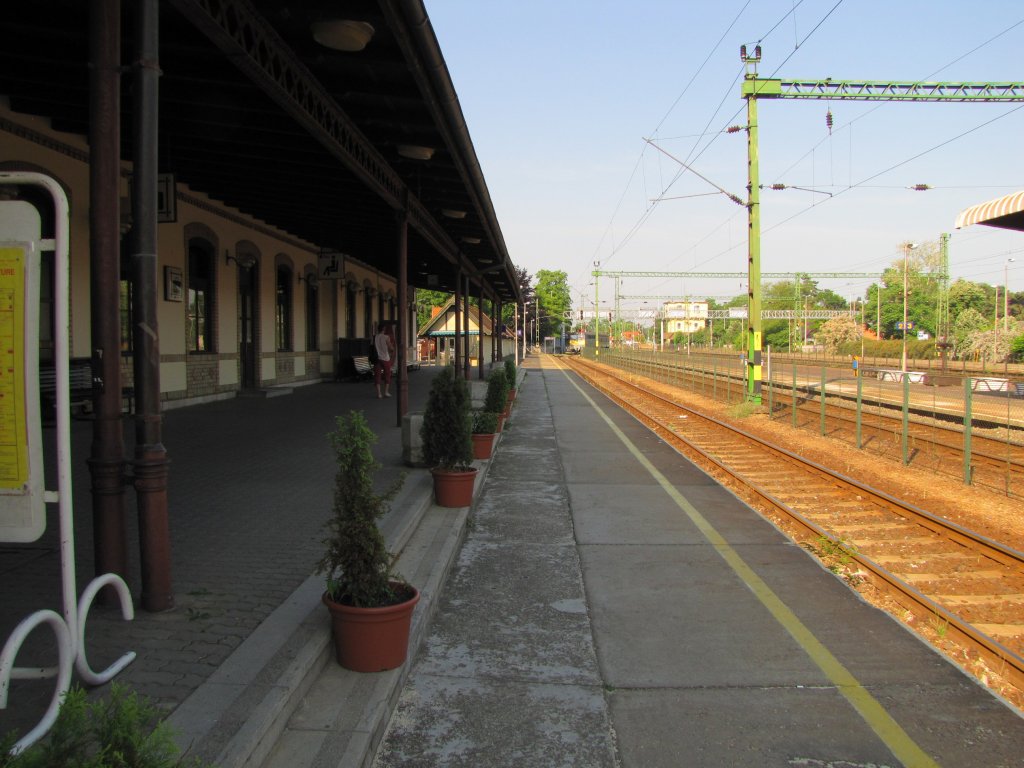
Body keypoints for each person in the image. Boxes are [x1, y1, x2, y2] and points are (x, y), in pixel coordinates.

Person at [372, 322, 396, 398]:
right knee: (387, 374)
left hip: (376, 358)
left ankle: (379, 393)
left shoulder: (374, 337)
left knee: (377, 375)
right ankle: (386, 392)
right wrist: (392, 349)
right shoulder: (386, 337)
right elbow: (391, 348)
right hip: (385, 358)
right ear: (384, 329)